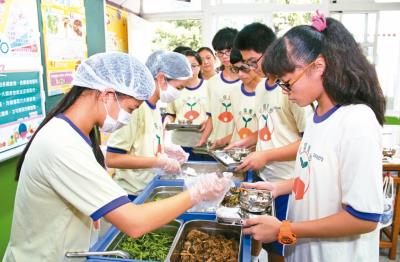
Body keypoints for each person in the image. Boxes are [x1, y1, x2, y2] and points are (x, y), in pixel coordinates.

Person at [4, 52, 231, 261]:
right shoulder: (61, 143)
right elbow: (134, 222)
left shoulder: (75, 132)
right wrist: (198, 192)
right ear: (107, 95)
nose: (128, 118)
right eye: (131, 109)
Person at [242, 12, 385, 262]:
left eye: (288, 83)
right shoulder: (316, 114)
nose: (286, 92)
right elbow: (316, 178)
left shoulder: (356, 121)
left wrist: (285, 229)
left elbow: (363, 218)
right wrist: (278, 188)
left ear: (318, 66)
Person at [232, 22, 311, 262]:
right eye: (247, 64)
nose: (253, 68)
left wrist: (265, 156)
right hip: (265, 180)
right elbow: (267, 129)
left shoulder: (291, 88)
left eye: (254, 61)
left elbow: (309, 144)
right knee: (259, 238)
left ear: (273, 49)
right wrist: (244, 141)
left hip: (288, 182)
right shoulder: (260, 89)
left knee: (280, 250)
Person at [105, 50, 191, 196]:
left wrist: (165, 150)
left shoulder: (155, 108)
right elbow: (113, 159)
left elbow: (142, 146)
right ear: (162, 78)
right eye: (179, 88)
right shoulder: (134, 109)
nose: (179, 93)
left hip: (148, 188)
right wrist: (158, 162)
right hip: (131, 194)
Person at [197, 27, 240, 148]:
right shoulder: (212, 82)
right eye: (220, 52)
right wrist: (203, 140)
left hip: (240, 145)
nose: (225, 56)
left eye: (229, 51)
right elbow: (212, 116)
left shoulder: (247, 81)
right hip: (216, 145)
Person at [164, 50, 209, 155]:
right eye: (186, 66)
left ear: (200, 66)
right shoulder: (174, 88)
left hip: (203, 142)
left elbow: (216, 114)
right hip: (179, 143)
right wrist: (166, 121)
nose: (190, 70)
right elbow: (171, 114)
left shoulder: (210, 86)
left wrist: (208, 121)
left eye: (193, 66)